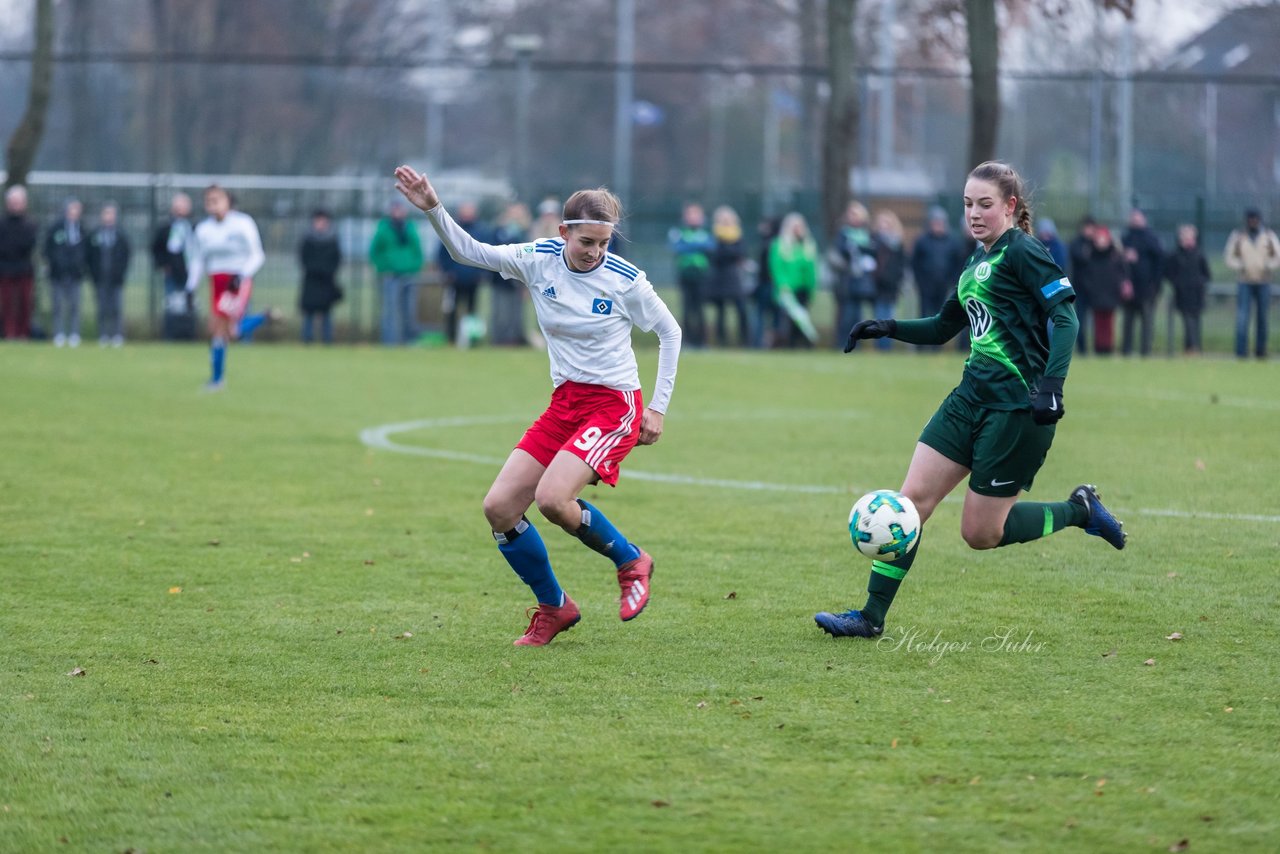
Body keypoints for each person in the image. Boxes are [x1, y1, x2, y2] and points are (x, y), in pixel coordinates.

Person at [818, 161, 1126, 640]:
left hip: (1016, 409)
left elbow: (1065, 318)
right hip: (968, 399)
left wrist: (1051, 384)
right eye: (967, 204)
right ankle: (870, 617)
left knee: (980, 533)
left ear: (1010, 206)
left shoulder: (1024, 251)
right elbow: (945, 326)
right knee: (910, 505)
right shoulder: (975, 261)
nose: (974, 214)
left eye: (985, 204)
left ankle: (1079, 511)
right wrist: (889, 327)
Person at [393, 164, 682, 646]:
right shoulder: (538, 258)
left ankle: (632, 561)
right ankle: (555, 607)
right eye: (586, 241)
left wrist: (658, 406)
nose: (595, 252)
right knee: (500, 508)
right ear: (564, 231)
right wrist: (434, 210)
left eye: (604, 243)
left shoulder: (625, 280)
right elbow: (470, 252)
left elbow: (669, 332)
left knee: (552, 499)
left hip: (614, 404)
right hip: (565, 401)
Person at [185, 185, 265, 390]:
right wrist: (190, 287)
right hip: (217, 282)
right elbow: (198, 260)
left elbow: (257, 255)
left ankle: (217, 380)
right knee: (230, 333)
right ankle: (264, 317)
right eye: (209, 201)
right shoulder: (203, 229)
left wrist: (242, 275)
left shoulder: (242, 223)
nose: (213, 205)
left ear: (228, 201)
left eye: (217, 200)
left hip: (236, 282)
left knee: (218, 329)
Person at [1224, 208, 1280, 359]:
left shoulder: (1268, 236)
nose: (1253, 222)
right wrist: (1240, 265)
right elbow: (1229, 258)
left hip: (1263, 281)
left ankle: (1260, 351)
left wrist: (1268, 266)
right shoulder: (1238, 237)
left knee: (1262, 317)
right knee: (1242, 317)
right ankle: (1241, 352)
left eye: (1255, 219)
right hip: (1244, 281)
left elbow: (1277, 257)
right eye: (1250, 219)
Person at [369, 199, 424, 345]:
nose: (398, 212)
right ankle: (389, 343)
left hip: (409, 275)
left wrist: (414, 266)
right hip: (390, 275)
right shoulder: (383, 229)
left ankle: (409, 342)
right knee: (391, 312)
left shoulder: (410, 228)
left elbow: (417, 251)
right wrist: (385, 267)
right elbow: (375, 252)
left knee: (409, 312)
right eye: (396, 209)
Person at [437, 201, 488, 346]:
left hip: (472, 280)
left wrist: (481, 273)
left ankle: (471, 339)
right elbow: (442, 254)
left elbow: (486, 253)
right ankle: (451, 338)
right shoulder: (452, 229)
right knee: (451, 310)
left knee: (472, 310)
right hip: (455, 279)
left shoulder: (481, 231)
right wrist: (447, 272)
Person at [910, 206, 968, 328]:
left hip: (943, 284)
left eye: (940, 222)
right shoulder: (922, 241)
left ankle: (936, 344)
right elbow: (915, 263)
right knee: (924, 313)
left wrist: (952, 280)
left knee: (940, 314)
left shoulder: (952, 242)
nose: (938, 225)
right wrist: (919, 281)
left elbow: (957, 263)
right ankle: (922, 342)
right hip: (925, 284)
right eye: (935, 222)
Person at [769, 211, 819, 348]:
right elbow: (776, 267)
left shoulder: (808, 245)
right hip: (787, 288)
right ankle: (785, 344)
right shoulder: (779, 245)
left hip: (804, 287)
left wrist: (812, 287)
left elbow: (812, 268)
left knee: (802, 318)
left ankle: (801, 345)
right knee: (788, 319)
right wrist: (782, 285)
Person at [831, 201, 875, 350]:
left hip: (861, 283)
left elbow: (872, 252)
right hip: (847, 282)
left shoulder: (866, 234)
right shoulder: (843, 234)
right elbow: (837, 255)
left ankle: (856, 344)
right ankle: (842, 343)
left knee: (857, 316)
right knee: (846, 316)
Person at [86, 202, 132, 347]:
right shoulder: (95, 235)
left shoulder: (121, 235)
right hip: (100, 278)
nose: (109, 217)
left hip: (116, 278)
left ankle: (117, 335)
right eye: (106, 213)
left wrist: (121, 273)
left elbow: (126, 256)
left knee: (116, 308)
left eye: (111, 214)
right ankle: (103, 335)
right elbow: (89, 256)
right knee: (102, 308)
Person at [1119, 208, 1163, 357]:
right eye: (1133, 217)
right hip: (1129, 287)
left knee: (1147, 322)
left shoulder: (1151, 239)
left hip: (1146, 287)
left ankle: (1146, 351)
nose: (1135, 220)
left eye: (1138, 217)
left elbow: (1159, 262)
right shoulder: (1126, 238)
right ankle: (1126, 350)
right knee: (1128, 322)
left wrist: (1155, 285)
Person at [669, 202, 713, 349]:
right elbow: (678, 248)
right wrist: (697, 246)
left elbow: (711, 247)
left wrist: (690, 246)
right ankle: (687, 341)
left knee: (700, 309)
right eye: (690, 214)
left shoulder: (706, 233)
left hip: (701, 275)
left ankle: (701, 342)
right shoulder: (679, 232)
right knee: (686, 308)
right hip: (685, 274)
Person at [44, 197, 87, 347]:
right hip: (58, 273)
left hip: (75, 274)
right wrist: (56, 264)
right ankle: (59, 334)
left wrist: (79, 266)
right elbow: (48, 249)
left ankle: (75, 334)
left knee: (74, 306)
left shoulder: (81, 228)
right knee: (57, 306)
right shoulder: (56, 228)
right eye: (72, 209)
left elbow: (84, 251)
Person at [1163, 224, 1210, 356]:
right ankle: (1191, 347)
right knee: (1187, 321)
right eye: (1185, 237)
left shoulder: (1200, 254)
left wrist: (1200, 282)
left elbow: (1206, 274)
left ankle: (1194, 347)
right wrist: (1177, 283)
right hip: (1182, 293)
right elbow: (1168, 272)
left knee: (1196, 321)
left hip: (1197, 293)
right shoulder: (1175, 255)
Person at [489, 202, 532, 346]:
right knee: (500, 312)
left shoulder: (525, 232)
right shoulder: (499, 230)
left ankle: (515, 338)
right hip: (500, 279)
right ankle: (498, 339)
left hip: (518, 280)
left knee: (516, 312)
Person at [298, 209, 343, 345]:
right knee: (309, 313)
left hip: (326, 282)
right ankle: (307, 340)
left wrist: (326, 271)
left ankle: (327, 340)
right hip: (311, 281)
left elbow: (336, 260)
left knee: (327, 313)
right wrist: (316, 269)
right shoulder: (307, 239)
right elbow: (303, 259)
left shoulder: (332, 240)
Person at [1080, 225, 1126, 356]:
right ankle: (1099, 348)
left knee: (1109, 323)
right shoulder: (1090, 255)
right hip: (1096, 294)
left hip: (1111, 294)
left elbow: (1122, 273)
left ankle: (1109, 348)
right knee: (1098, 323)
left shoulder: (1115, 255)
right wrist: (1090, 289)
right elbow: (1086, 275)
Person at [0, 184, 39, 340]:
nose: (16, 205)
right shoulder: (2, 225)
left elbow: (28, 245)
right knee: (7, 304)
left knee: (25, 304)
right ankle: (9, 333)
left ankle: (23, 334)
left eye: (19, 202)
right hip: (5, 269)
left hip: (24, 269)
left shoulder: (30, 225)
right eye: (13, 202)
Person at [707, 205, 749, 347]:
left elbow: (741, 253)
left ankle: (745, 340)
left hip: (734, 278)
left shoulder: (738, 236)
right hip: (719, 278)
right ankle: (721, 341)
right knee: (721, 312)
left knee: (741, 309)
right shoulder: (714, 236)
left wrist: (727, 252)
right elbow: (716, 255)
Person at [1067, 216, 1097, 354]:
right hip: (1080, 287)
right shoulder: (1077, 243)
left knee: (1098, 321)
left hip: (1096, 288)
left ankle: (1099, 347)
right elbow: (1079, 256)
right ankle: (1082, 348)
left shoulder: (1096, 244)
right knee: (1080, 320)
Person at [751, 216, 780, 349]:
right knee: (769, 316)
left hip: (768, 284)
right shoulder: (772, 242)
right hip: (768, 284)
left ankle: (762, 342)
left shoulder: (771, 243)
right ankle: (766, 342)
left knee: (762, 315)